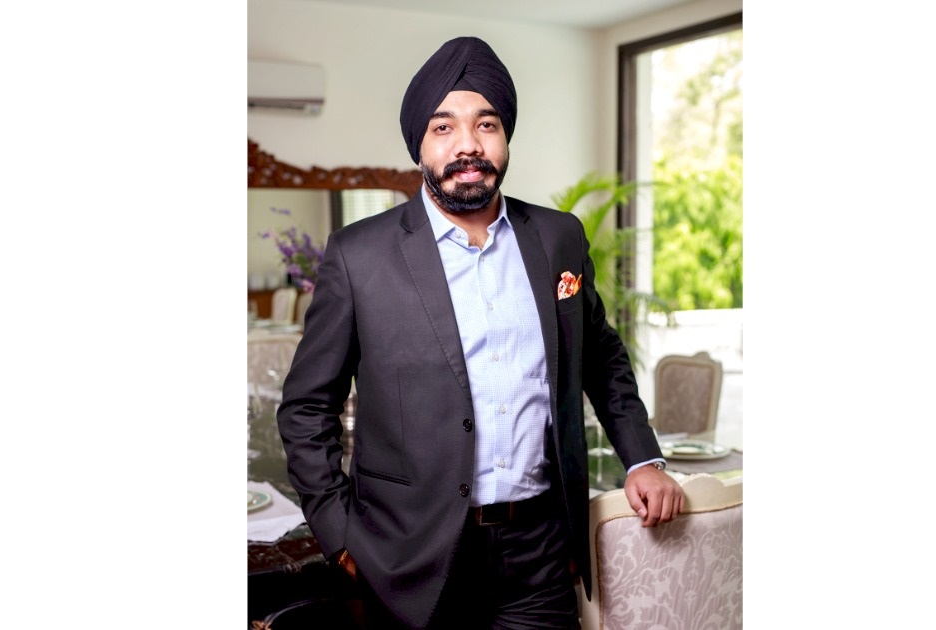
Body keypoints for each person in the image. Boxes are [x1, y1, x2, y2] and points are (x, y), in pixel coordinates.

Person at [276, 35, 684, 629]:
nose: (468, 144)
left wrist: (643, 458)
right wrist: (340, 536)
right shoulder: (358, 255)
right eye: (443, 127)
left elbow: (601, 359)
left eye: (486, 124)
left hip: (541, 551)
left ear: (505, 137)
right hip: (409, 558)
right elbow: (307, 408)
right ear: (419, 144)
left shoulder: (559, 238)